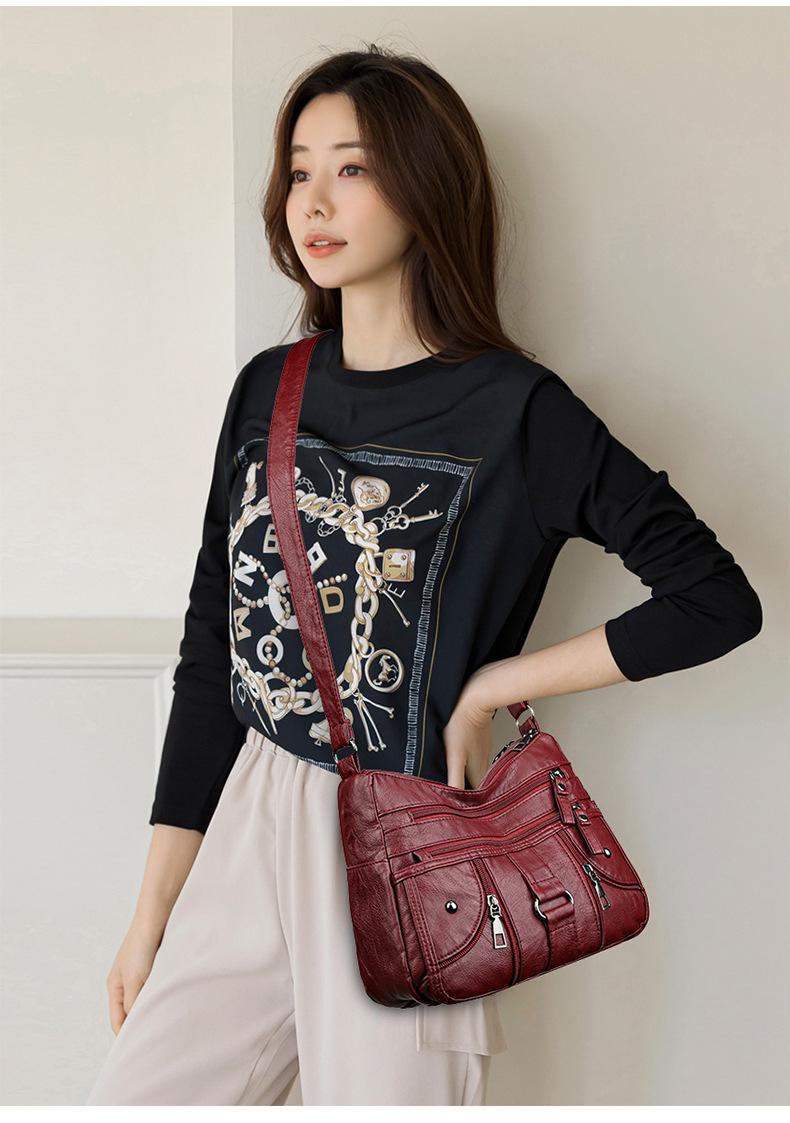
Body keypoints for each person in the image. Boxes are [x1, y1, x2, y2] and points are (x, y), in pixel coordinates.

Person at [85, 45, 763, 1107]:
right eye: (298, 169)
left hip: (407, 847)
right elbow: (212, 647)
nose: (314, 200)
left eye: (351, 168)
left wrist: (494, 687)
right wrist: (152, 913)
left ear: (425, 184)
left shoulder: (515, 411)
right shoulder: (268, 389)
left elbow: (714, 599)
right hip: (250, 810)